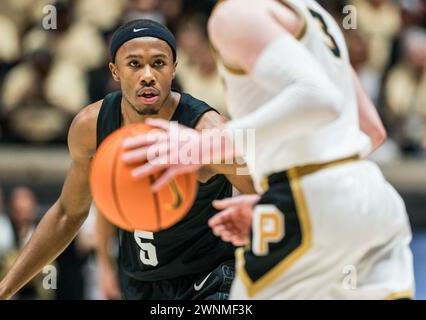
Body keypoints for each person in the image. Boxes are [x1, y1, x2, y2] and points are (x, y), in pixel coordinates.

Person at [123, 0, 415, 299]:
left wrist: (205, 144)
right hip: (371, 196)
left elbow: (319, 99)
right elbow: (372, 130)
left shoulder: (235, 14)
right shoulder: (314, 15)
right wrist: (299, 190)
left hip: (312, 202)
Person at [0, 19, 254, 300]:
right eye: (134, 64)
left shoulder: (208, 132)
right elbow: (68, 213)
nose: (148, 75)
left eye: (158, 63)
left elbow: (275, 197)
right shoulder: (90, 127)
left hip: (211, 280)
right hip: (139, 282)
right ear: (115, 71)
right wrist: (2, 291)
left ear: (174, 68)